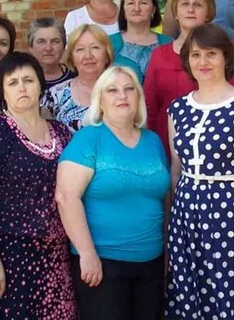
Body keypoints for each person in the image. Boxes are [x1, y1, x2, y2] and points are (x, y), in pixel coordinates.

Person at [166, 24, 234, 319]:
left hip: (231, 215)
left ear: (226, 58)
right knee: (189, 293)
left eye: (211, 54)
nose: (203, 61)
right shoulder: (178, 109)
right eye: (196, 54)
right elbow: (176, 171)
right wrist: (174, 225)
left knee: (231, 294)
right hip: (186, 216)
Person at [0, 52, 77, 319]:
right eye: (13, 82)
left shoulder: (61, 133)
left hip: (58, 257)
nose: (22, 87)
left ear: (40, 85)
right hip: (13, 258)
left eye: (28, 80)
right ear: (2, 91)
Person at [56, 66, 170, 320]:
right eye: (112, 90)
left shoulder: (153, 141)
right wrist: (87, 254)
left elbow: (164, 199)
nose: (122, 96)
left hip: (151, 263)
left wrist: (167, 252)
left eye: (129, 89)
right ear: (100, 100)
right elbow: (66, 197)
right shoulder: (88, 139)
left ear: (138, 97)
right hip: (103, 263)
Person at [144, 0, 218, 151]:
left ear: (208, 13)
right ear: (176, 13)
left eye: (197, 4)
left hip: (212, 139)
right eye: (185, 4)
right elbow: (149, 105)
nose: (190, 9)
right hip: (165, 140)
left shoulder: (223, 51)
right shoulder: (159, 55)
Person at [44, 24, 114, 133]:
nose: (88, 55)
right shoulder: (54, 95)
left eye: (95, 47)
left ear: (107, 54)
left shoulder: (122, 91)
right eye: (80, 49)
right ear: (71, 57)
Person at [109, 0, 172, 84]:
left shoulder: (169, 44)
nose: (137, 9)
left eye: (143, 3)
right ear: (123, 10)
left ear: (153, 10)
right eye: (131, 3)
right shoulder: (108, 43)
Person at [28, 17, 76, 88]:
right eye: (41, 42)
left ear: (64, 46)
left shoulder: (76, 77)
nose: (48, 48)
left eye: (55, 41)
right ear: (31, 47)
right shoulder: (23, 79)